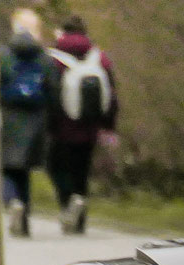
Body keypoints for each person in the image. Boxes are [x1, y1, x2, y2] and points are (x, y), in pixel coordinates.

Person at [43, 15, 116, 236]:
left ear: (62, 32)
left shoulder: (54, 59)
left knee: (55, 168)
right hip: (90, 127)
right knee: (81, 172)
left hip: (61, 128)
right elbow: (112, 96)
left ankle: (68, 205)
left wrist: (49, 125)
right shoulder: (99, 58)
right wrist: (108, 126)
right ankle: (80, 219)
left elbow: (49, 93)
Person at [0, 10, 51, 238]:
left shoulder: (3, 55)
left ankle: (12, 203)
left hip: (8, 117)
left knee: (6, 167)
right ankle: (24, 219)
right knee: (25, 171)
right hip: (35, 119)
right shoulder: (43, 57)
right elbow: (52, 88)